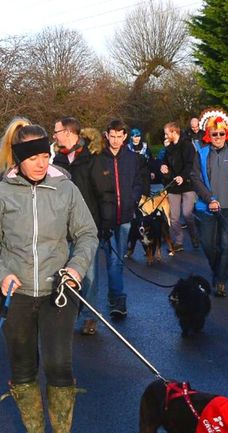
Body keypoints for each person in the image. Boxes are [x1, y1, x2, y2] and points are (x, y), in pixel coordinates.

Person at [0, 118, 98, 433]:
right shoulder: (1, 194)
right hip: (16, 293)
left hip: (58, 291)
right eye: (33, 158)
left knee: (59, 365)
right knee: (23, 366)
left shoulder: (66, 190)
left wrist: (76, 269)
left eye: (45, 156)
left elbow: (87, 234)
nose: (42, 164)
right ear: (19, 159)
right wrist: (1, 274)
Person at [89, 118, 148, 319]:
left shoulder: (132, 158)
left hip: (124, 216)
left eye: (119, 136)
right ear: (107, 135)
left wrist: (133, 201)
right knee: (113, 259)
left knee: (118, 258)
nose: (115, 140)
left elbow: (138, 183)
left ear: (125, 136)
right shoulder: (97, 158)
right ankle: (117, 298)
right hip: (105, 218)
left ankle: (115, 296)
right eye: (111, 136)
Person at [51, 116, 104, 335]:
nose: (53, 135)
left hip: (86, 224)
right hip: (62, 227)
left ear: (69, 133)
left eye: (56, 131)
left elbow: (101, 191)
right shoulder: (56, 160)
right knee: (65, 273)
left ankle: (90, 316)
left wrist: (104, 223)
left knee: (89, 275)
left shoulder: (91, 157)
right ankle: (67, 312)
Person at [194, 117, 228, 297]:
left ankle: (221, 280)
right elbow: (196, 179)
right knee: (207, 244)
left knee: (226, 245)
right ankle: (218, 271)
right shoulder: (201, 153)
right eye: (214, 134)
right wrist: (209, 199)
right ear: (209, 134)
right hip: (207, 207)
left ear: (226, 134)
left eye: (222, 133)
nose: (218, 137)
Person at [159, 121, 201, 253]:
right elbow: (165, 161)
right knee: (174, 217)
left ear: (174, 132)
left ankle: (194, 236)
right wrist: (163, 167)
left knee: (187, 213)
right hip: (173, 185)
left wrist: (183, 176)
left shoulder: (187, 145)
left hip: (187, 183)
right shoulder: (169, 147)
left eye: (166, 133)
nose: (165, 136)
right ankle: (178, 241)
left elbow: (190, 164)